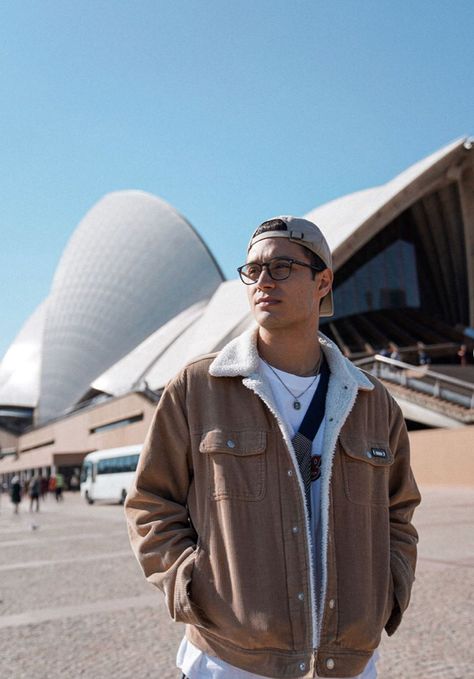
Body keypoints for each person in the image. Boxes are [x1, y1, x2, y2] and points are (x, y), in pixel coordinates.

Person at [125, 216, 420, 679]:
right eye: (253, 270)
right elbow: (149, 503)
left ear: (322, 281)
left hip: (347, 663)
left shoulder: (372, 402)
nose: (263, 280)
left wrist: (389, 590)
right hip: (228, 662)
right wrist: (192, 585)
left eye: (282, 267)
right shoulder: (197, 388)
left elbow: (398, 513)